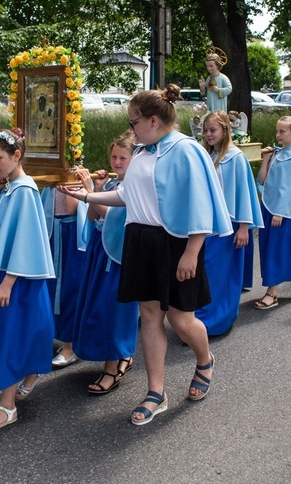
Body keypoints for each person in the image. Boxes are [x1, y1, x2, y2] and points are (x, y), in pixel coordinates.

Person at [58, 85, 233, 426]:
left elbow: (200, 205)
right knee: (150, 317)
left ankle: (205, 359)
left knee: (181, 320)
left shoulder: (186, 150)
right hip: (140, 240)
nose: (131, 128)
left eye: (134, 121)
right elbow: (127, 195)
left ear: (153, 120)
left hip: (177, 243)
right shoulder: (142, 151)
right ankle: (156, 392)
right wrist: (88, 198)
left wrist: (192, 253)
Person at [0, 129, 55, 433]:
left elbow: (27, 240)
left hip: (13, 271)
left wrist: (7, 282)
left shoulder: (24, 191)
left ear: (16, 156)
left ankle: (7, 407)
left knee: (6, 333)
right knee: (15, 330)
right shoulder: (8, 188)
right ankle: (29, 371)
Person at [72, 131, 138, 395]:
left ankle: (113, 368)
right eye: (114, 156)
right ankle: (121, 356)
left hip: (117, 255)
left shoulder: (131, 187)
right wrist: (97, 190)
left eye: (123, 157)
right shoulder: (111, 185)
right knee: (96, 304)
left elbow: (112, 216)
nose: (117, 161)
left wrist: (89, 192)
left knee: (113, 309)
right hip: (100, 250)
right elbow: (91, 217)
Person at [195, 111, 263, 335]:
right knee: (205, 273)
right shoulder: (207, 155)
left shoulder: (236, 158)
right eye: (205, 130)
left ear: (225, 130)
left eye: (212, 130)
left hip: (229, 225)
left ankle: (215, 321)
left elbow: (245, 192)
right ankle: (200, 319)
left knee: (220, 274)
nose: (208, 134)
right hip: (206, 225)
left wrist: (244, 226)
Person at [253, 116, 291, 309]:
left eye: (282, 131)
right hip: (270, 207)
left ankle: (272, 293)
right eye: (277, 131)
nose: (278, 135)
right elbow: (262, 181)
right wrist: (266, 160)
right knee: (273, 248)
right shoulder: (278, 154)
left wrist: (280, 211)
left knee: (280, 250)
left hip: (286, 212)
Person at [41, 183, 88, 368]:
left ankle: (70, 345)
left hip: (71, 235)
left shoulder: (77, 179)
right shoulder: (50, 182)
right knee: (51, 288)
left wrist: (69, 181)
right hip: (53, 234)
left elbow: (71, 208)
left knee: (70, 288)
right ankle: (57, 335)